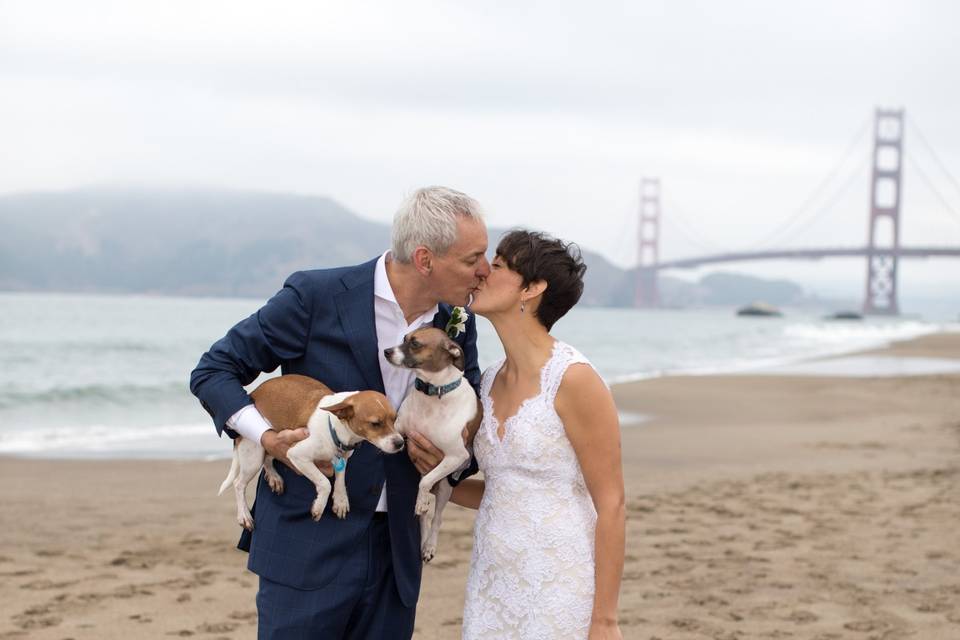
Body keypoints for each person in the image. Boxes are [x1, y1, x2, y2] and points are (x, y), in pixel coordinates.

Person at [189, 186, 490, 639]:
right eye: (473, 259)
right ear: (426, 260)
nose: (484, 271)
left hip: (397, 553)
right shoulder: (317, 295)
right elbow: (214, 371)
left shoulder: (456, 326)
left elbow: (470, 422)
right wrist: (267, 438)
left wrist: (456, 464)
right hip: (307, 543)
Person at [451, 230, 625, 640]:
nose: (481, 273)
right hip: (493, 586)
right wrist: (437, 480)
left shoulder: (574, 379)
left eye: (496, 267)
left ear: (532, 288)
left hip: (559, 585)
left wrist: (605, 620)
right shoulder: (489, 380)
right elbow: (503, 490)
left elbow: (612, 505)